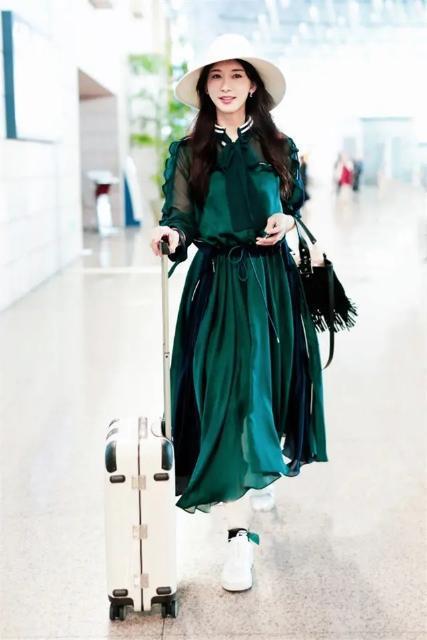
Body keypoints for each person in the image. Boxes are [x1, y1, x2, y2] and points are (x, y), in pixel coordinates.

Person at [150, 33, 328, 593]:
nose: (226, 86)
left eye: (236, 76)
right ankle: (237, 539)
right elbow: (180, 217)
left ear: (253, 85)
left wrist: (285, 221)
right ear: (205, 88)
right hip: (217, 287)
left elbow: (292, 206)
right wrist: (170, 235)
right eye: (216, 77)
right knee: (228, 398)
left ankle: (259, 464)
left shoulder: (279, 146)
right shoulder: (189, 151)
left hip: (272, 288)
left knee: (263, 391)